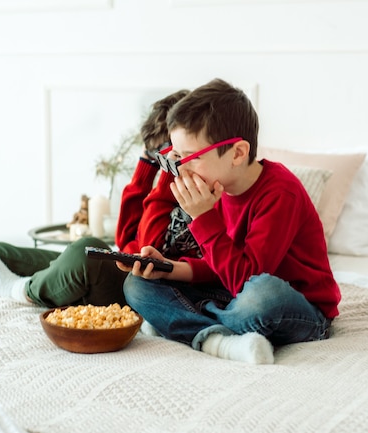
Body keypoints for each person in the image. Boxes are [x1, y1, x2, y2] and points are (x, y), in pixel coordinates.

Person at [119, 78, 341, 365]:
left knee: (262, 295)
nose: (179, 169)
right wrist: (169, 269)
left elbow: (246, 281)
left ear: (237, 153)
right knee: (137, 285)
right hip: (233, 291)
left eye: (190, 157)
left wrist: (203, 218)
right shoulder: (216, 184)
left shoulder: (280, 193)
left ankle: (183, 324)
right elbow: (218, 267)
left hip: (297, 306)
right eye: (175, 157)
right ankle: (216, 339)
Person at [0, 89, 190, 307]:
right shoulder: (161, 185)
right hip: (121, 272)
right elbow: (125, 242)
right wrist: (145, 169)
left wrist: (168, 177)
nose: (160, 163)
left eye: (163, 155)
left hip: (139, 293)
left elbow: (145, 254)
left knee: (86, 249)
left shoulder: (196, 193)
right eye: (154, 156)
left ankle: (21, 291)